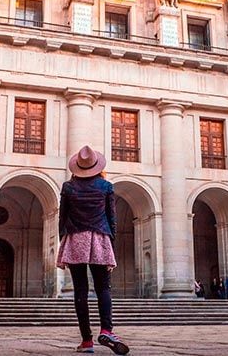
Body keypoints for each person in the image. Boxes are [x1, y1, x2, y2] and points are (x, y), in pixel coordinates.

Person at [58, 145, 130, 355]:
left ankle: (86, 341)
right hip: (100, 237)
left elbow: (62, 218)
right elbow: (112, 218)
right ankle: (107, 329)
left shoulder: (68, 187)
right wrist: (111, 246)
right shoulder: (106, 186)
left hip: (76, 238)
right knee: (103, 289)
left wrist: (64, 241)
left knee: (80, 291)